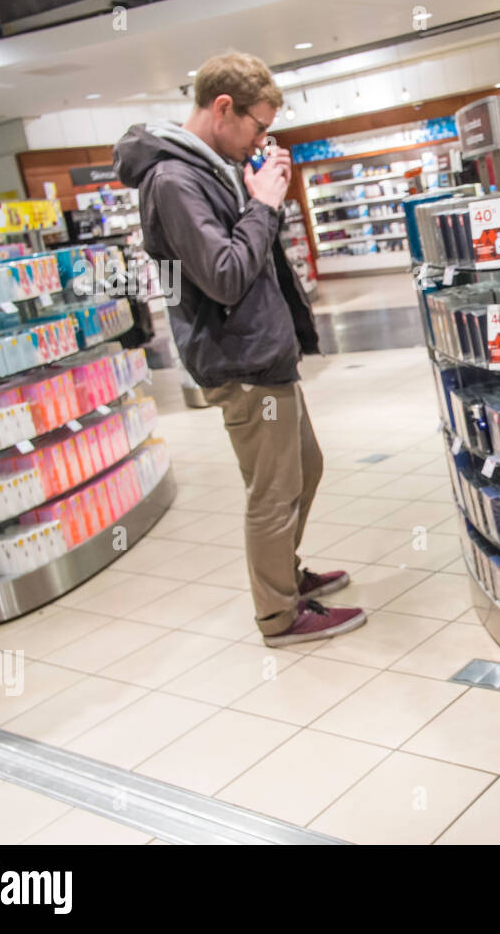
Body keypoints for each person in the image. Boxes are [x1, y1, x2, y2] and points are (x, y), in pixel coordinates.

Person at [113, 51, 366, 648]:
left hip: (262, 350)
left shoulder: (207, 167)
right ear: (223, 107)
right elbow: (223, 274)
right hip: (242, 362)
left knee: (305, 468)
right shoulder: (173, 179)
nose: (260, 138)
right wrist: (264, 203)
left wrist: (256, 196)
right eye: (257, 125)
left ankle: (284, 573)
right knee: (274, 489)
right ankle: (279, 614)